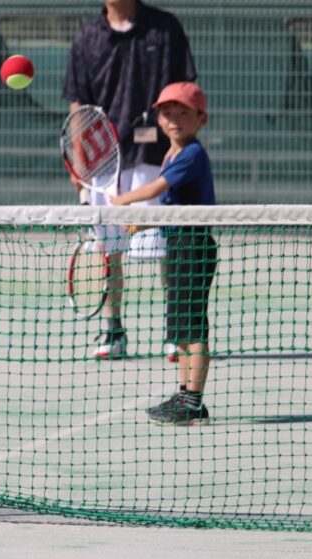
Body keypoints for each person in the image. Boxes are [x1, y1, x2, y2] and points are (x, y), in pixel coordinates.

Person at [63, 0, 197, 359]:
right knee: (109, 251)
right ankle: (114, 332)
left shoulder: (166, 29)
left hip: (154, 157)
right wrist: (79, 162)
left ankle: (176, 332)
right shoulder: (87, 37)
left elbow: (183, 94)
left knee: (167, 250)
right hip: (103, 163)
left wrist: (179, 150)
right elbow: (79, 106)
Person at [111, 82, 216, 426]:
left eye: (183, 114)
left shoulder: (192, 154)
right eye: (167, 114)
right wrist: (143, 224)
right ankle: (184, 396)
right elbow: (175, 209)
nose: (174, 120)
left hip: (194, 248)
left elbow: (157, 189)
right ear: (158, 119)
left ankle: (194, 403)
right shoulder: (171, 155)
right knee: (180, 329)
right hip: (177, 245)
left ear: (201, 119)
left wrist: (121, 201)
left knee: (193, 329)